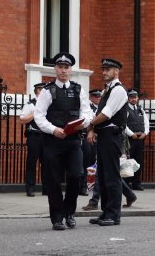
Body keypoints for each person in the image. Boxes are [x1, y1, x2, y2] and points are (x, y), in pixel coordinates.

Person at [34, 52, 93, 231]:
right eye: (60, 67)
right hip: (53, 142)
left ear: (70, 70)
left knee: (76, 176)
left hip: (73, 142)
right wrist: (53, 129)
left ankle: (69, 212)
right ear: (55, 69)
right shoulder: (47, 91)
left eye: (66, 68)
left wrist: (83, 123)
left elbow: (87, 112)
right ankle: (57, 217)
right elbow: (39, 116)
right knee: (53, 181)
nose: (63, 71)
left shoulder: (78, 89)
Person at [86, 58, 128, 226]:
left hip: (112, 136)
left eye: (108, 69)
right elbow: (99, 113)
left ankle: (114, 214)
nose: (104, 72)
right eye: (103, 69)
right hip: (104, 135)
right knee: (102, 176)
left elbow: (106, 114)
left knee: (111, 176)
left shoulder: (118, 90)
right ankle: (106, 212)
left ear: (116, 71)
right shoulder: (107, 90)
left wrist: (90, 124)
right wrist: (93, 129)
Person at [20, 82, 46, 197]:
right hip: (34, 136)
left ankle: (46, 188)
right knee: (31, 163)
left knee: (47, 163)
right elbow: (22, 119)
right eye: (41, 90)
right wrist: (35, 113)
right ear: (37, 91)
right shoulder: (30, 104)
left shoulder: (48, 104)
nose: (43, 92)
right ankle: (30, 188)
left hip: (46, 136)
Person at [125, 88, 149, 191]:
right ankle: (127, 183)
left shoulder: (141, 109)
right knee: (129, 161)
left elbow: (146, 123)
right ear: (128, 99)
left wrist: (145, 133)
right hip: (130, 139)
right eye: (131, 97)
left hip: (140, 138)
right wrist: (131, 134)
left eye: (135, 97)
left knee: (138, 161)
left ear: (138, 98)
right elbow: (123, 124)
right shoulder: (125, 110)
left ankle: (136, 183)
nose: (133, 99)